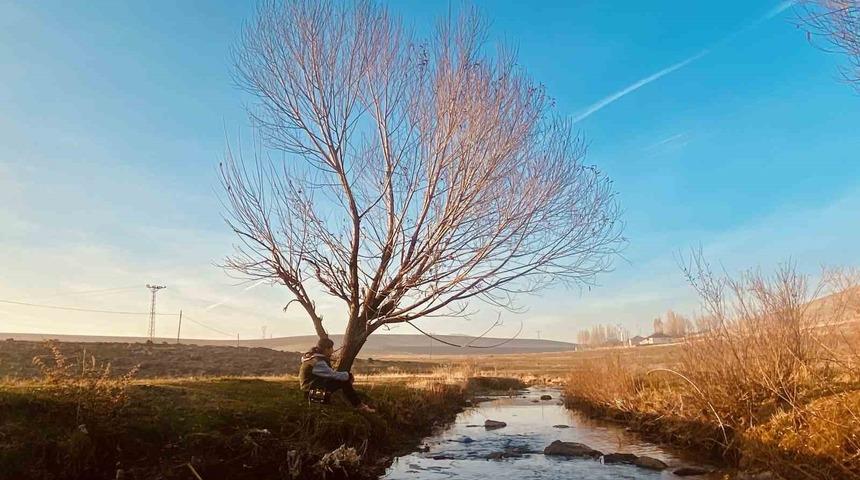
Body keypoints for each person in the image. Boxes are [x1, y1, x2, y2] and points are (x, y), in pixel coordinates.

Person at [299, 337, 376, 413]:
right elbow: (332, 375)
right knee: (343, 381)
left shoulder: (312, 358)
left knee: (341, 381)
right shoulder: (318, 362)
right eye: (331, 348)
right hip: (312, 395)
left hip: (310, 392)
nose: (332, 351)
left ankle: (358, 405)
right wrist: (348, 376)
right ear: (326, 349)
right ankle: (360, 406)